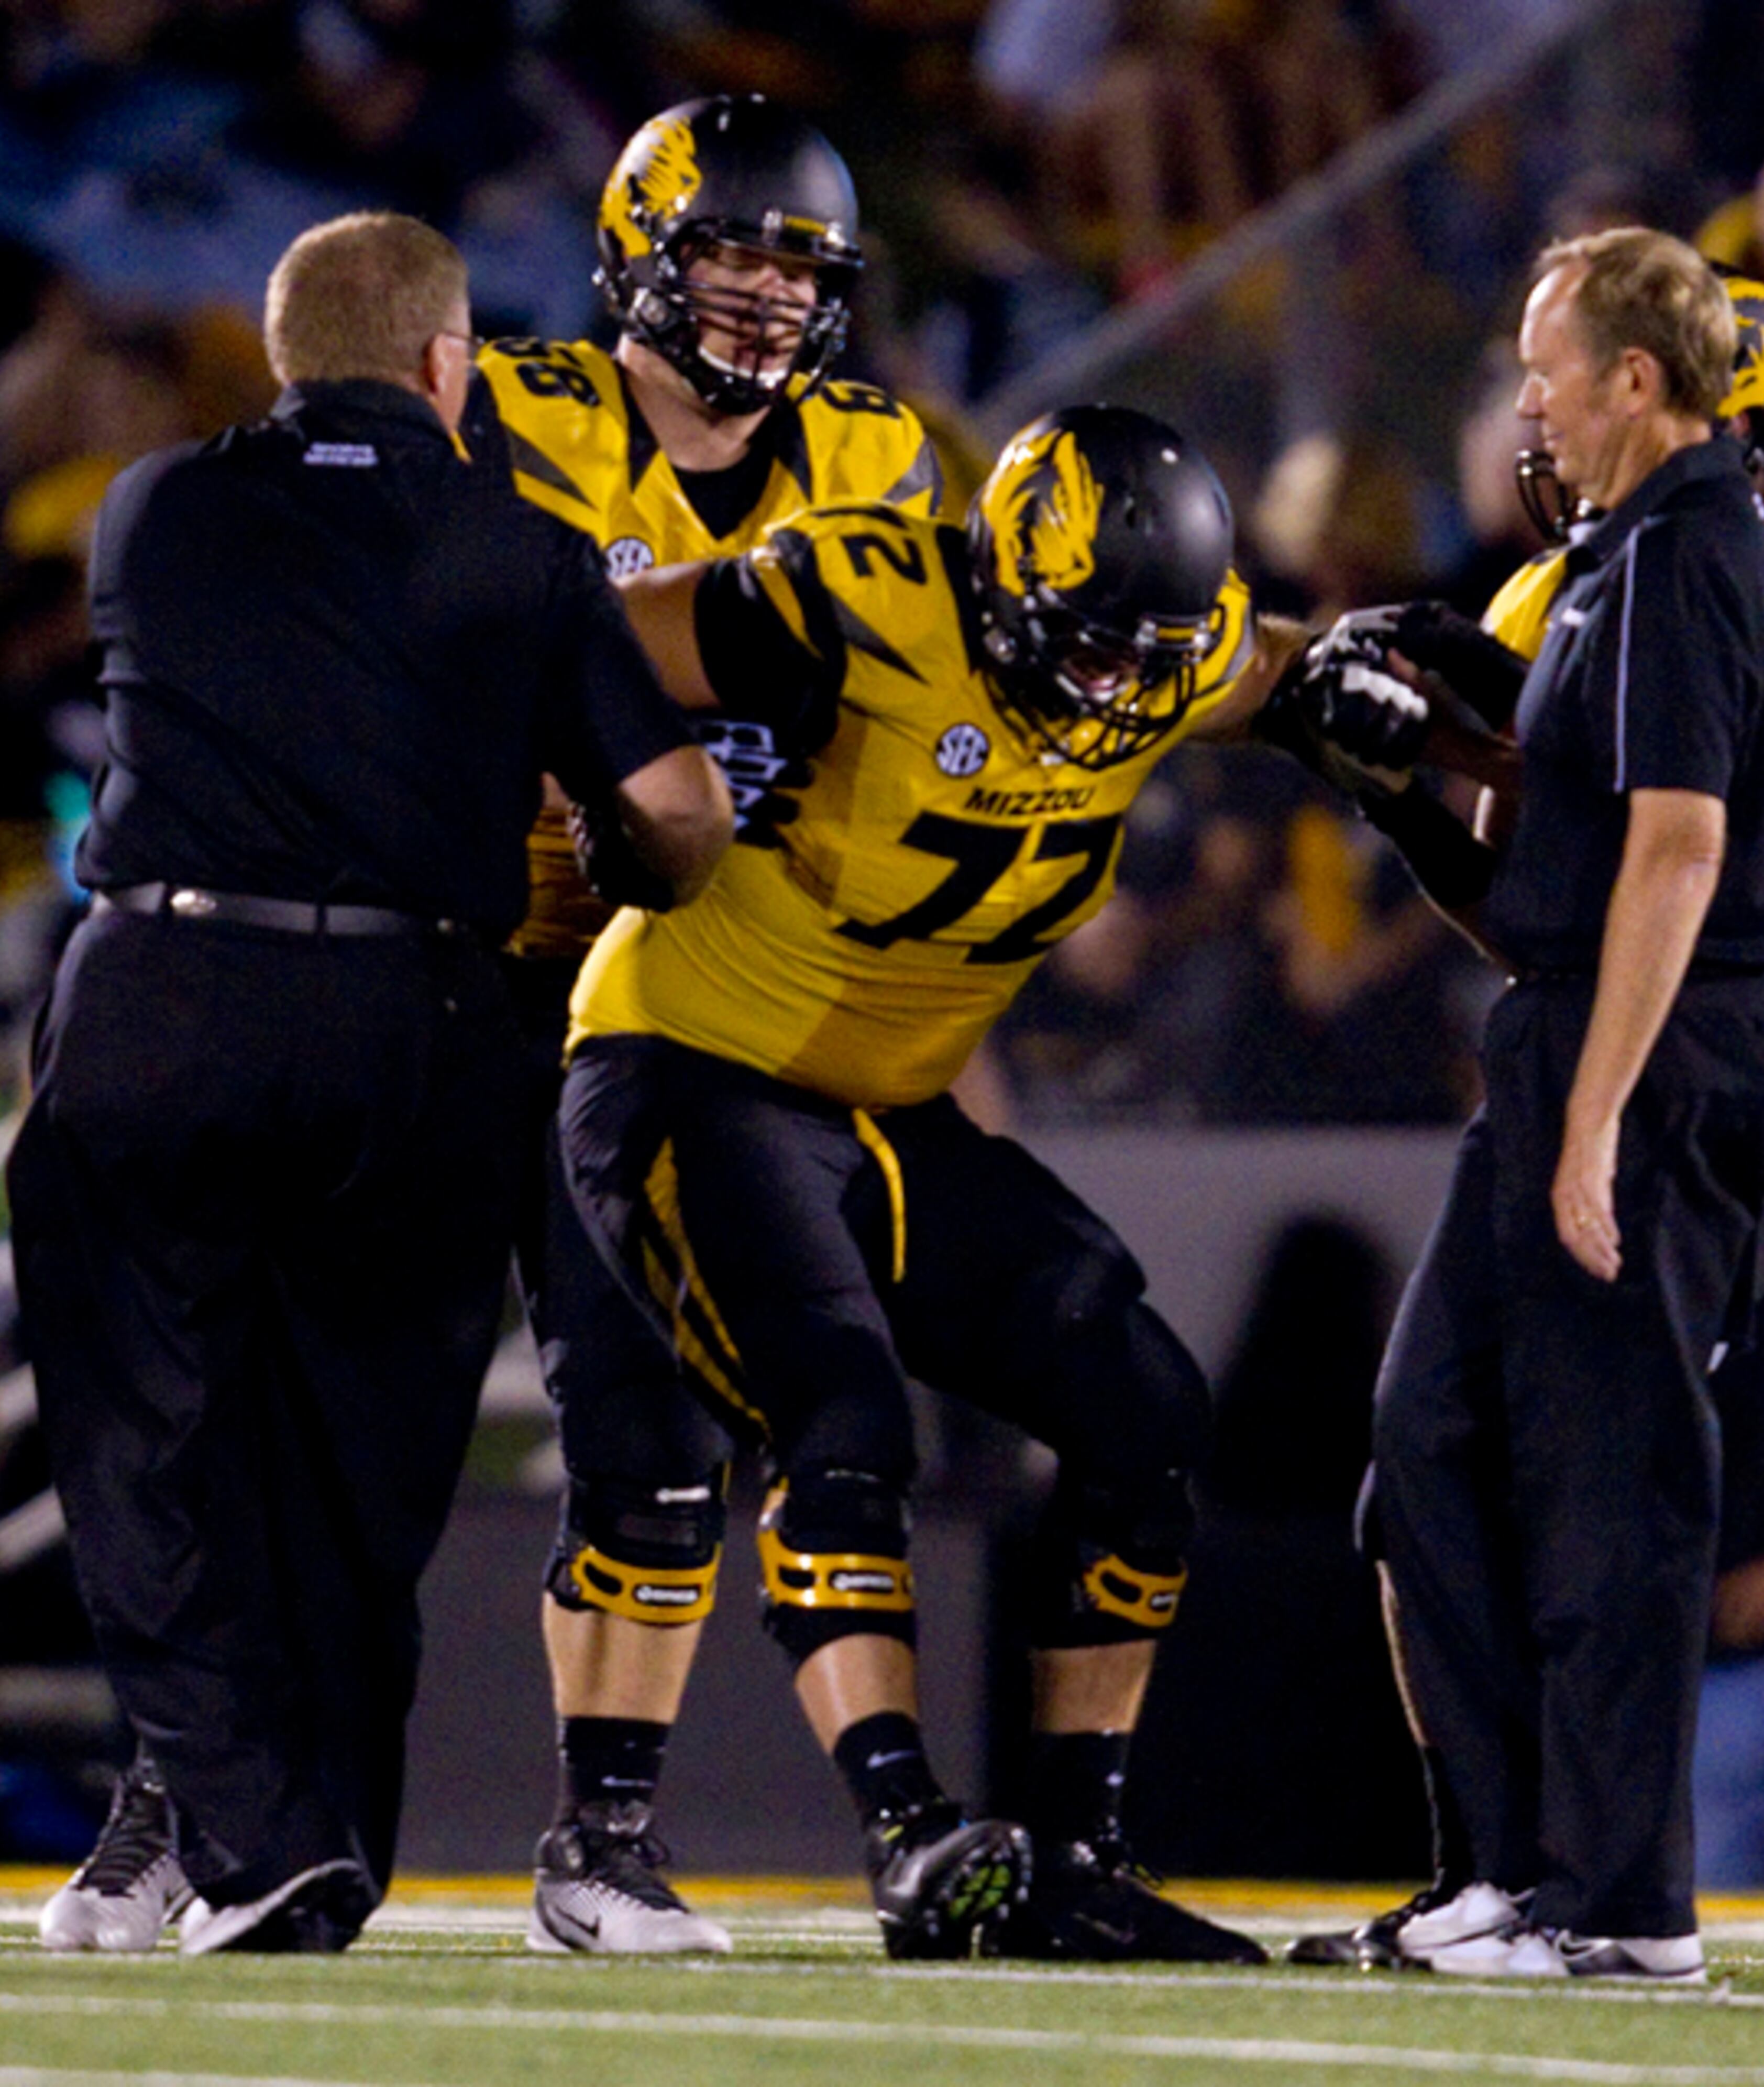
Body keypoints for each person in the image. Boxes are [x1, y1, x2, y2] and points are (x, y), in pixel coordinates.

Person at [557, 403, 1498, 1961]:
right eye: (1092, 646)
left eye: (1148, 656)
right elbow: (584, 638)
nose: (1117, 688)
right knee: (841, 1414)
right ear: (1005, 578)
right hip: (693, 1067)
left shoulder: (1166, 653)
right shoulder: (857, 594)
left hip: (890, 1110)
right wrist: (627, 797)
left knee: (1145, 1406)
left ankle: (1072, 1850)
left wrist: (1409, 709)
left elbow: (1271, 668)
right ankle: (911, 1837)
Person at [10, 211, 731, 1956]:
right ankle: (305, 1838)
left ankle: (241, 1830)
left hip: (168, 989)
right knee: (360, 1468)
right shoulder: (525, 543)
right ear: (445, 362)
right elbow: (681, 812)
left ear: (284, 354)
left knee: (143, 1437)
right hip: (419, 1018)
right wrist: (628, 864)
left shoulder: (150, 508)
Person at [1287, 267, 1764, 1972]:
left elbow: (1681, 844)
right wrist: (1402, 781)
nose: (1527, 405)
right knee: (1428, 1445)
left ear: (1645, 381)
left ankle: (1615, 1900)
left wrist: (1591, 1122)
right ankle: (1507, 1868)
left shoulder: (1738, 560)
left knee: (1608, 1490)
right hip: (1582, 1032)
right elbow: (1549, 887)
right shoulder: (1599, 569)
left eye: (1550, 368)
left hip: (1680, 1050)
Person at [468, 94, 944, 1958]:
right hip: (470, 969)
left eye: (798, 268)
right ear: (640, 254)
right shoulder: (523, 413)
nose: (765, 298)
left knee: (658, 1432)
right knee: (335, 1414)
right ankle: (181, 1797)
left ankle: (601, 1839)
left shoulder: (875, 453)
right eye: (731, 255)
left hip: (679, 1001)